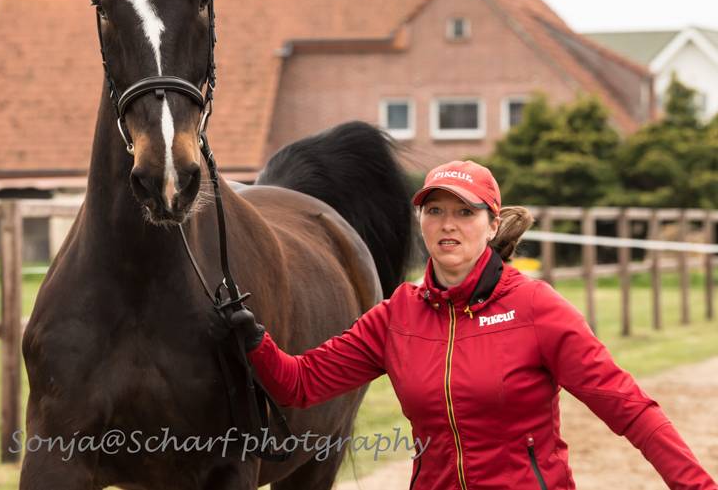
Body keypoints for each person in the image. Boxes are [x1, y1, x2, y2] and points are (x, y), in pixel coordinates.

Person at [225, 160, 716, 489]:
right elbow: (301, 384)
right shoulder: (397, 315)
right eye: (435, 210)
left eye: (465, 211)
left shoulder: (537, 309)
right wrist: (254, 339)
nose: (448, 224)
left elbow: (631, 409)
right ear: (421, 222)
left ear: (492, 223)